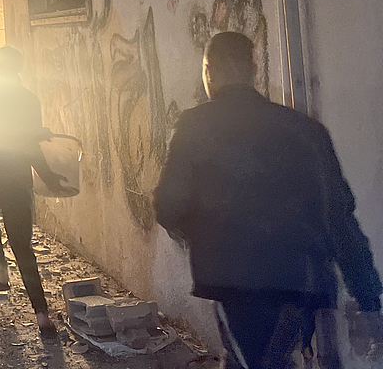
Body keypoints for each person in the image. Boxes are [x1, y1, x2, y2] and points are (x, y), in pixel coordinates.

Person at [154, 31, 382, 369]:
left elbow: (167, 206)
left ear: (210, 71)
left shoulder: (196, 127)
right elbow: (340, 218)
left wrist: (200, 232)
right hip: (302, 281)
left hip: (236, 285)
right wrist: (368, 297)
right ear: (253, 71)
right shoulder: (306, 130)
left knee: (256, 360)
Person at [0, 46, 66, 336]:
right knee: (23, 247)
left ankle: (1, 272)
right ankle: (41, 315)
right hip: (15, 178)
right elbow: (31, 145)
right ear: (20, 66)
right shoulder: (29, 99)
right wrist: (48, 177)